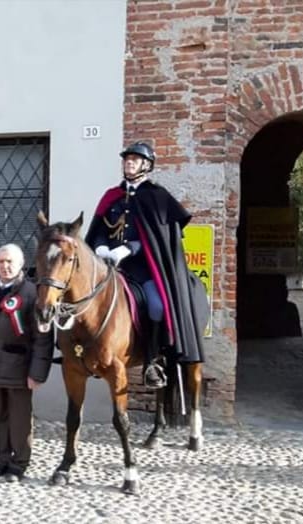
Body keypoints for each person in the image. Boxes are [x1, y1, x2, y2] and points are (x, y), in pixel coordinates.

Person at [86, 141, 206, 389]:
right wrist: (100, 247)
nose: (129, 162)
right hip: (111, 270)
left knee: (157, 307)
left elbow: (159, 238)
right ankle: (80, 352)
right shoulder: (112, 197)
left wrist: (130, 249)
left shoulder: (157, 197)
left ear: (146, 165)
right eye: (127, 159)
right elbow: (99, 230)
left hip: (143, 272)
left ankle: (153, 360)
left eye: (135, 159)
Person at [0, 244, 54, 482]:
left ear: (20, 264)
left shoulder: (31, 293)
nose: (5, 266)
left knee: (19, 419)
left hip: (19, 368)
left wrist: (37, 373)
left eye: (10, 261)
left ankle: (19, 464)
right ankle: (1, 460)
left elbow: (43, 338)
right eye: (1, 262)